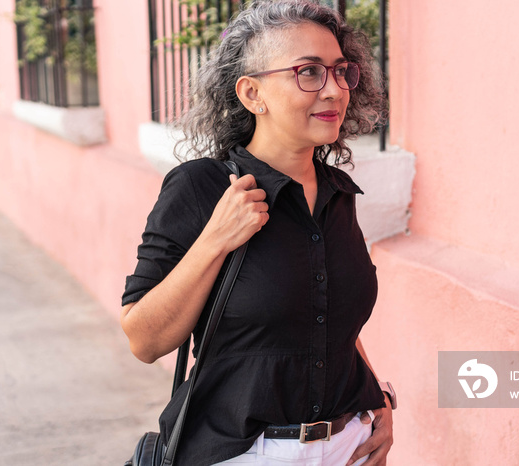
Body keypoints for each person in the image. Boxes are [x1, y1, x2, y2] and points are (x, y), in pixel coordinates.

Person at [120, 1, 395, 464]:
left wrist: (377, 398)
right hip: (243, 453)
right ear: (252, 93)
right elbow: (143, 341)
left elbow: (325, 318)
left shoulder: (336, 193)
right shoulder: (202, 187)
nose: (334, 90)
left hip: (350, 445)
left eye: (340, 71)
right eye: (308, 72)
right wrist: (216, 239)